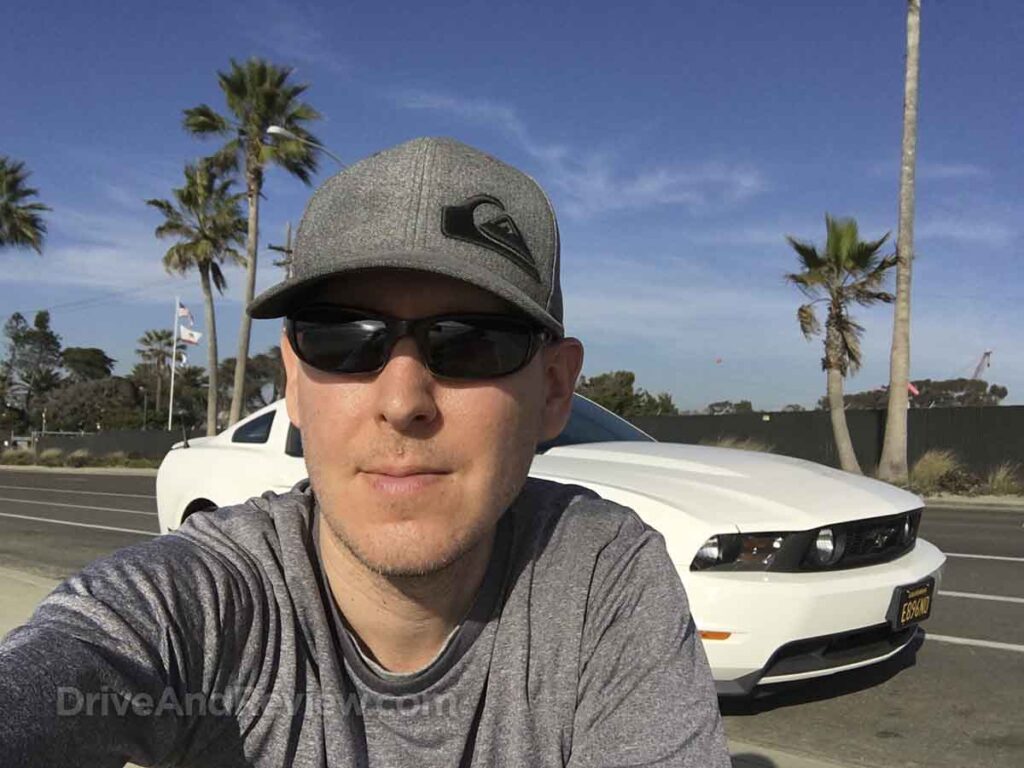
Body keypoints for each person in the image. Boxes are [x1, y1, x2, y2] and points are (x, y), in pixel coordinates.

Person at [0, 137, 730, 767]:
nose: (402, 398)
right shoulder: (201, 599)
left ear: (553, 389)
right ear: (293, 380)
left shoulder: (602, 575)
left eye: (471, 342)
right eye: (343, 339)